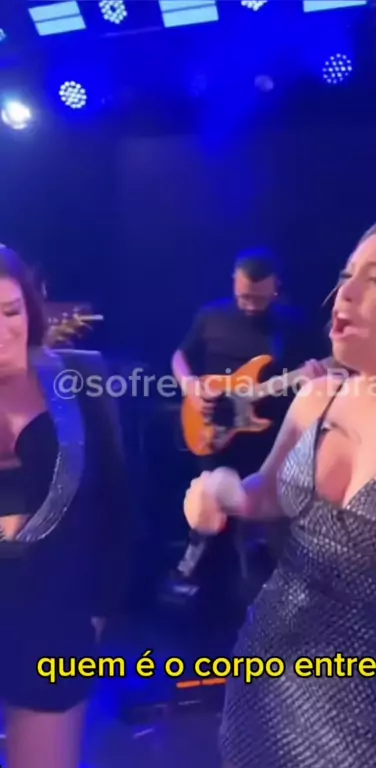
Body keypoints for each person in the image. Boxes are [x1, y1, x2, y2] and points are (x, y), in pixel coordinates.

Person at [184, 215, 376, 767]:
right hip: (269, 686)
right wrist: (221, 491)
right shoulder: (318, 397)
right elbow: (265, 493)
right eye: (347, 277)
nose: (346, 293)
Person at [0, 245, 130, 768]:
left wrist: (98, 610)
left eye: (10, 311)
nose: (1, 330)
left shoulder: (77, 380)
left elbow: (116, 504)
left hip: (52, 619)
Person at [171, 249, 325, 599]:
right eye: (243, 296)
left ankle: (255, 599)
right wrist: (191, 386)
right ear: (234, 283)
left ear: (276, 287)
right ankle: (198, 583)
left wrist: (315, 379)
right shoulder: (212, 315)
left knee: (257, 528)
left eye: (259, 298)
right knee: (210, 515)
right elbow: (180, 355)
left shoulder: (294, 325)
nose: (250, 305)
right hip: (213, 429)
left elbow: (317, 377)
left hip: (267, 439)